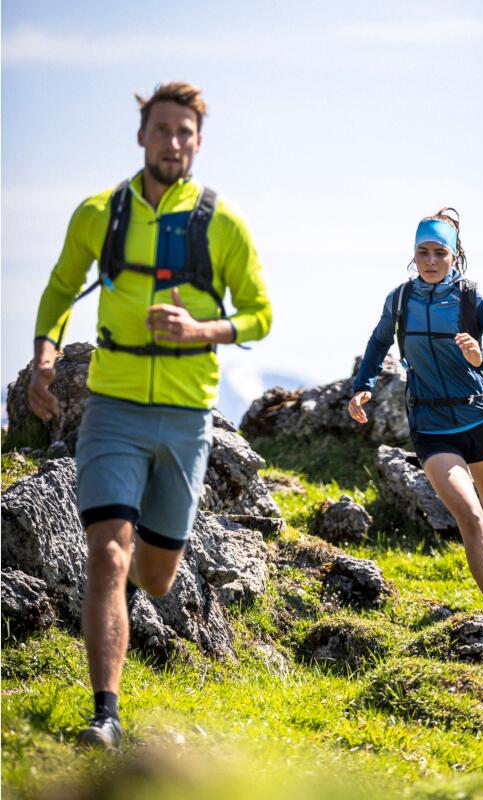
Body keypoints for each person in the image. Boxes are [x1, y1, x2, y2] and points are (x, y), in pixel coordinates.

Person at [27, 82, 271, 749]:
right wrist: (45, 356)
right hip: (113, 407)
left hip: (186, 418)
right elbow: (56, 289)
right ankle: (105, 713)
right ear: (142, 136)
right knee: (107, 552)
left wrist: (198, 329)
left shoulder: (224, 223)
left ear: (198, 140)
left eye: (184, 132)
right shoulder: (98, 213)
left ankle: (132, 595)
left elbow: (259, 315)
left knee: (155, 573)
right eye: (161, 130)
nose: (172, 143)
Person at [348, 208, 483, 608]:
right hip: (431, 428)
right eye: (423, 252)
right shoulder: (400, 300)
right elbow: (378, 343)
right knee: (472, 518)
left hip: (480, 419)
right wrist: (363, 387)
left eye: (440, 253)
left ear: (454, 255)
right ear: (413, 254)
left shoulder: (473, 298)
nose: (430, 261)